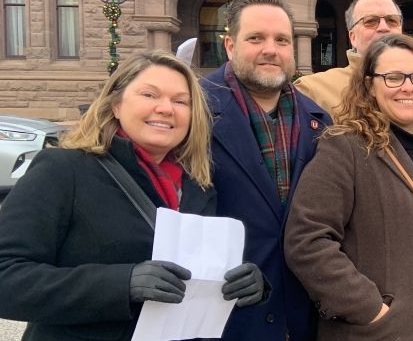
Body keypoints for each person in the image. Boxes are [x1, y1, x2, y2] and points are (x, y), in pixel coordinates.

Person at [0, 50, 265, 341]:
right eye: (150, 95)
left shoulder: (199, 185)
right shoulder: (64, 170)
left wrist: (251, 286)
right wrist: (121, 284)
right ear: (115, 104)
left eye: (180, 101)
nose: (166, 109)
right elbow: (7, 277)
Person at [284, 34, 413, 340]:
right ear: (369, 86)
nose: (408, 87)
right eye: (393, 77)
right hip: (373, 332)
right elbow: (307, 240)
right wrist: (368, 307)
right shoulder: (345, 148)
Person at [201, 0, 331, 341]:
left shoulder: (319, 121)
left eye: (281, 40)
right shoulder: (193, 112)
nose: (270, 50)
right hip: (226, 314)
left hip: (300, 312)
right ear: (230, 45)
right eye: (256, 38)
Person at [295, 0, 403, 118]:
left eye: (392, 20)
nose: (384, 28)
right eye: (370, 21)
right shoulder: (312, 90)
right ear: (353, 37)